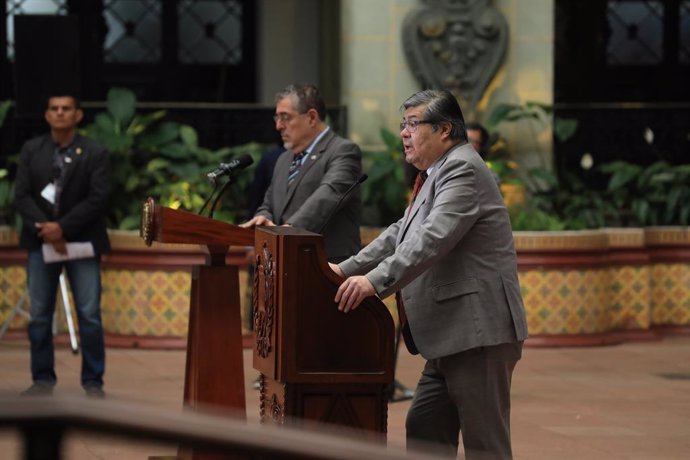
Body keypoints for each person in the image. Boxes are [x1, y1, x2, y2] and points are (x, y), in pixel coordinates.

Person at [330, 89, 528, 459]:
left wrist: (373, 282)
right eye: (402, 125)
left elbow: (432, 239)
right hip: (449, 334)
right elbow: (399, 233)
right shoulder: (435, 174)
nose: (404, 133)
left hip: (477, 334)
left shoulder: (463, 168)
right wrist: (343, 269)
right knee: (425, 429)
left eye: (412, 124)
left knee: (486, 446)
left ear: (444, 130)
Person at [14, 94, 111, 398]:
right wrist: (46, 229)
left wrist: (63, 228)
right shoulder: (32, 150)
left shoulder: (94, 152)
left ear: (78, 115)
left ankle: (93, 382)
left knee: (90, 314)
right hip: (41, 243)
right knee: (40, 314)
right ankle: (42, 379)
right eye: (54, 109)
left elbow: (98, 198)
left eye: (66, 109)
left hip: (81, 242)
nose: (59, 113)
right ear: (46, 115)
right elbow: (22, 196)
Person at [241, 83, 362, 263]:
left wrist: (285, 232)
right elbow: (268, 204)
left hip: (328, 267)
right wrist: (263, 219)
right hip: (284, 267)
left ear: (312, 117)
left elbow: (328, 196)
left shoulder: (343, 151)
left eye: (285, 117)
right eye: (277, 118)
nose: (278, 126)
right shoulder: (283, 160)